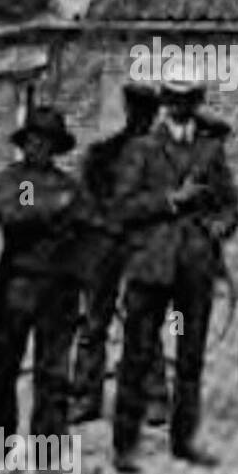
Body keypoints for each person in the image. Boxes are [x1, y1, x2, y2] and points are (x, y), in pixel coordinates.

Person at [109, 71, 238, 474]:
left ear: (198, 100)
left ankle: (184, 439)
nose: (182, 106)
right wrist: (171, 200)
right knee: (138, 354)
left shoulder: (211, 150)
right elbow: (124, 207)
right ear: (164, 100)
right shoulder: (142, 149)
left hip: (194, 273)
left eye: (190, 98)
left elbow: (231, 204)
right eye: (174, 98)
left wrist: (220, 226)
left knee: (189, 356)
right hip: (151, 269)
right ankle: (125, 445)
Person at [0, 107, 102, 474]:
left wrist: (85, 284)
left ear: (55, 146)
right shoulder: (14, 180)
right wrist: (55, 209)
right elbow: (13, 213)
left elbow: (91, 229)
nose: (40, 148)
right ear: (24, 142)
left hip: (59, 292)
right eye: (34, 140)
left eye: (47, 142)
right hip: (17, 286)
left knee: (53, 376)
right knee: (4, 373)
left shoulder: (69, 184)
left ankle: (51, 458)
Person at [72, 81, 166, 426]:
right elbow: (85, 200)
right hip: (104, 246)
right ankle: (85, 397)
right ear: (129, 112)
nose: (143, 118)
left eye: (149, 113)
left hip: (142, 247)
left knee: (144, 322)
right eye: (138, 112)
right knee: (94, 322)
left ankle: (154, 397)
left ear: (155, 115)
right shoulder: (103, 153)